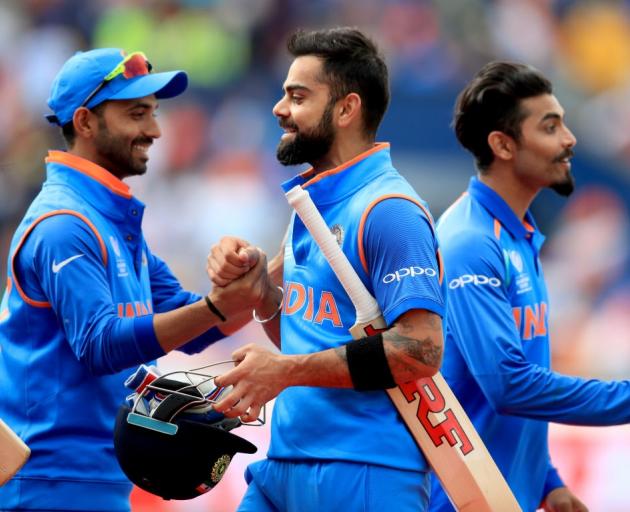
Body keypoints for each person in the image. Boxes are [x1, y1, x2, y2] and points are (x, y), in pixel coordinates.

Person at [0, 48, 276, 512]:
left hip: (93, 478)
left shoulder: (106, 219)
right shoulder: (64, 224)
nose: (154, 130)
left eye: (153, 113)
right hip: (50, 480)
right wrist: (216, 307)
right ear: (85, 122)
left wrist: (254, 277)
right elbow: (102, 345)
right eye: (136, 114)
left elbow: (198, 326)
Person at [206, 27, 445, 512]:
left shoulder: (388, 209)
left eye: (297, 96)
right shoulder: (310, 200)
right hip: (284, 464)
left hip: (365, 474)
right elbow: (301, 334)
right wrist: (258, 290)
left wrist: (285, 373)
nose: (279, 109)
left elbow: (421, 350)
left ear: (345, 109)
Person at [429, 61, 630, 512]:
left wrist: (546, 482)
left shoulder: (516, 236)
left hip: (506, 496)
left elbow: (493, 388)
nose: (569, 139)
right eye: (551, 127)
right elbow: (509, 385)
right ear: (502, 144)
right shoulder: (469, 242)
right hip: (458, 502)